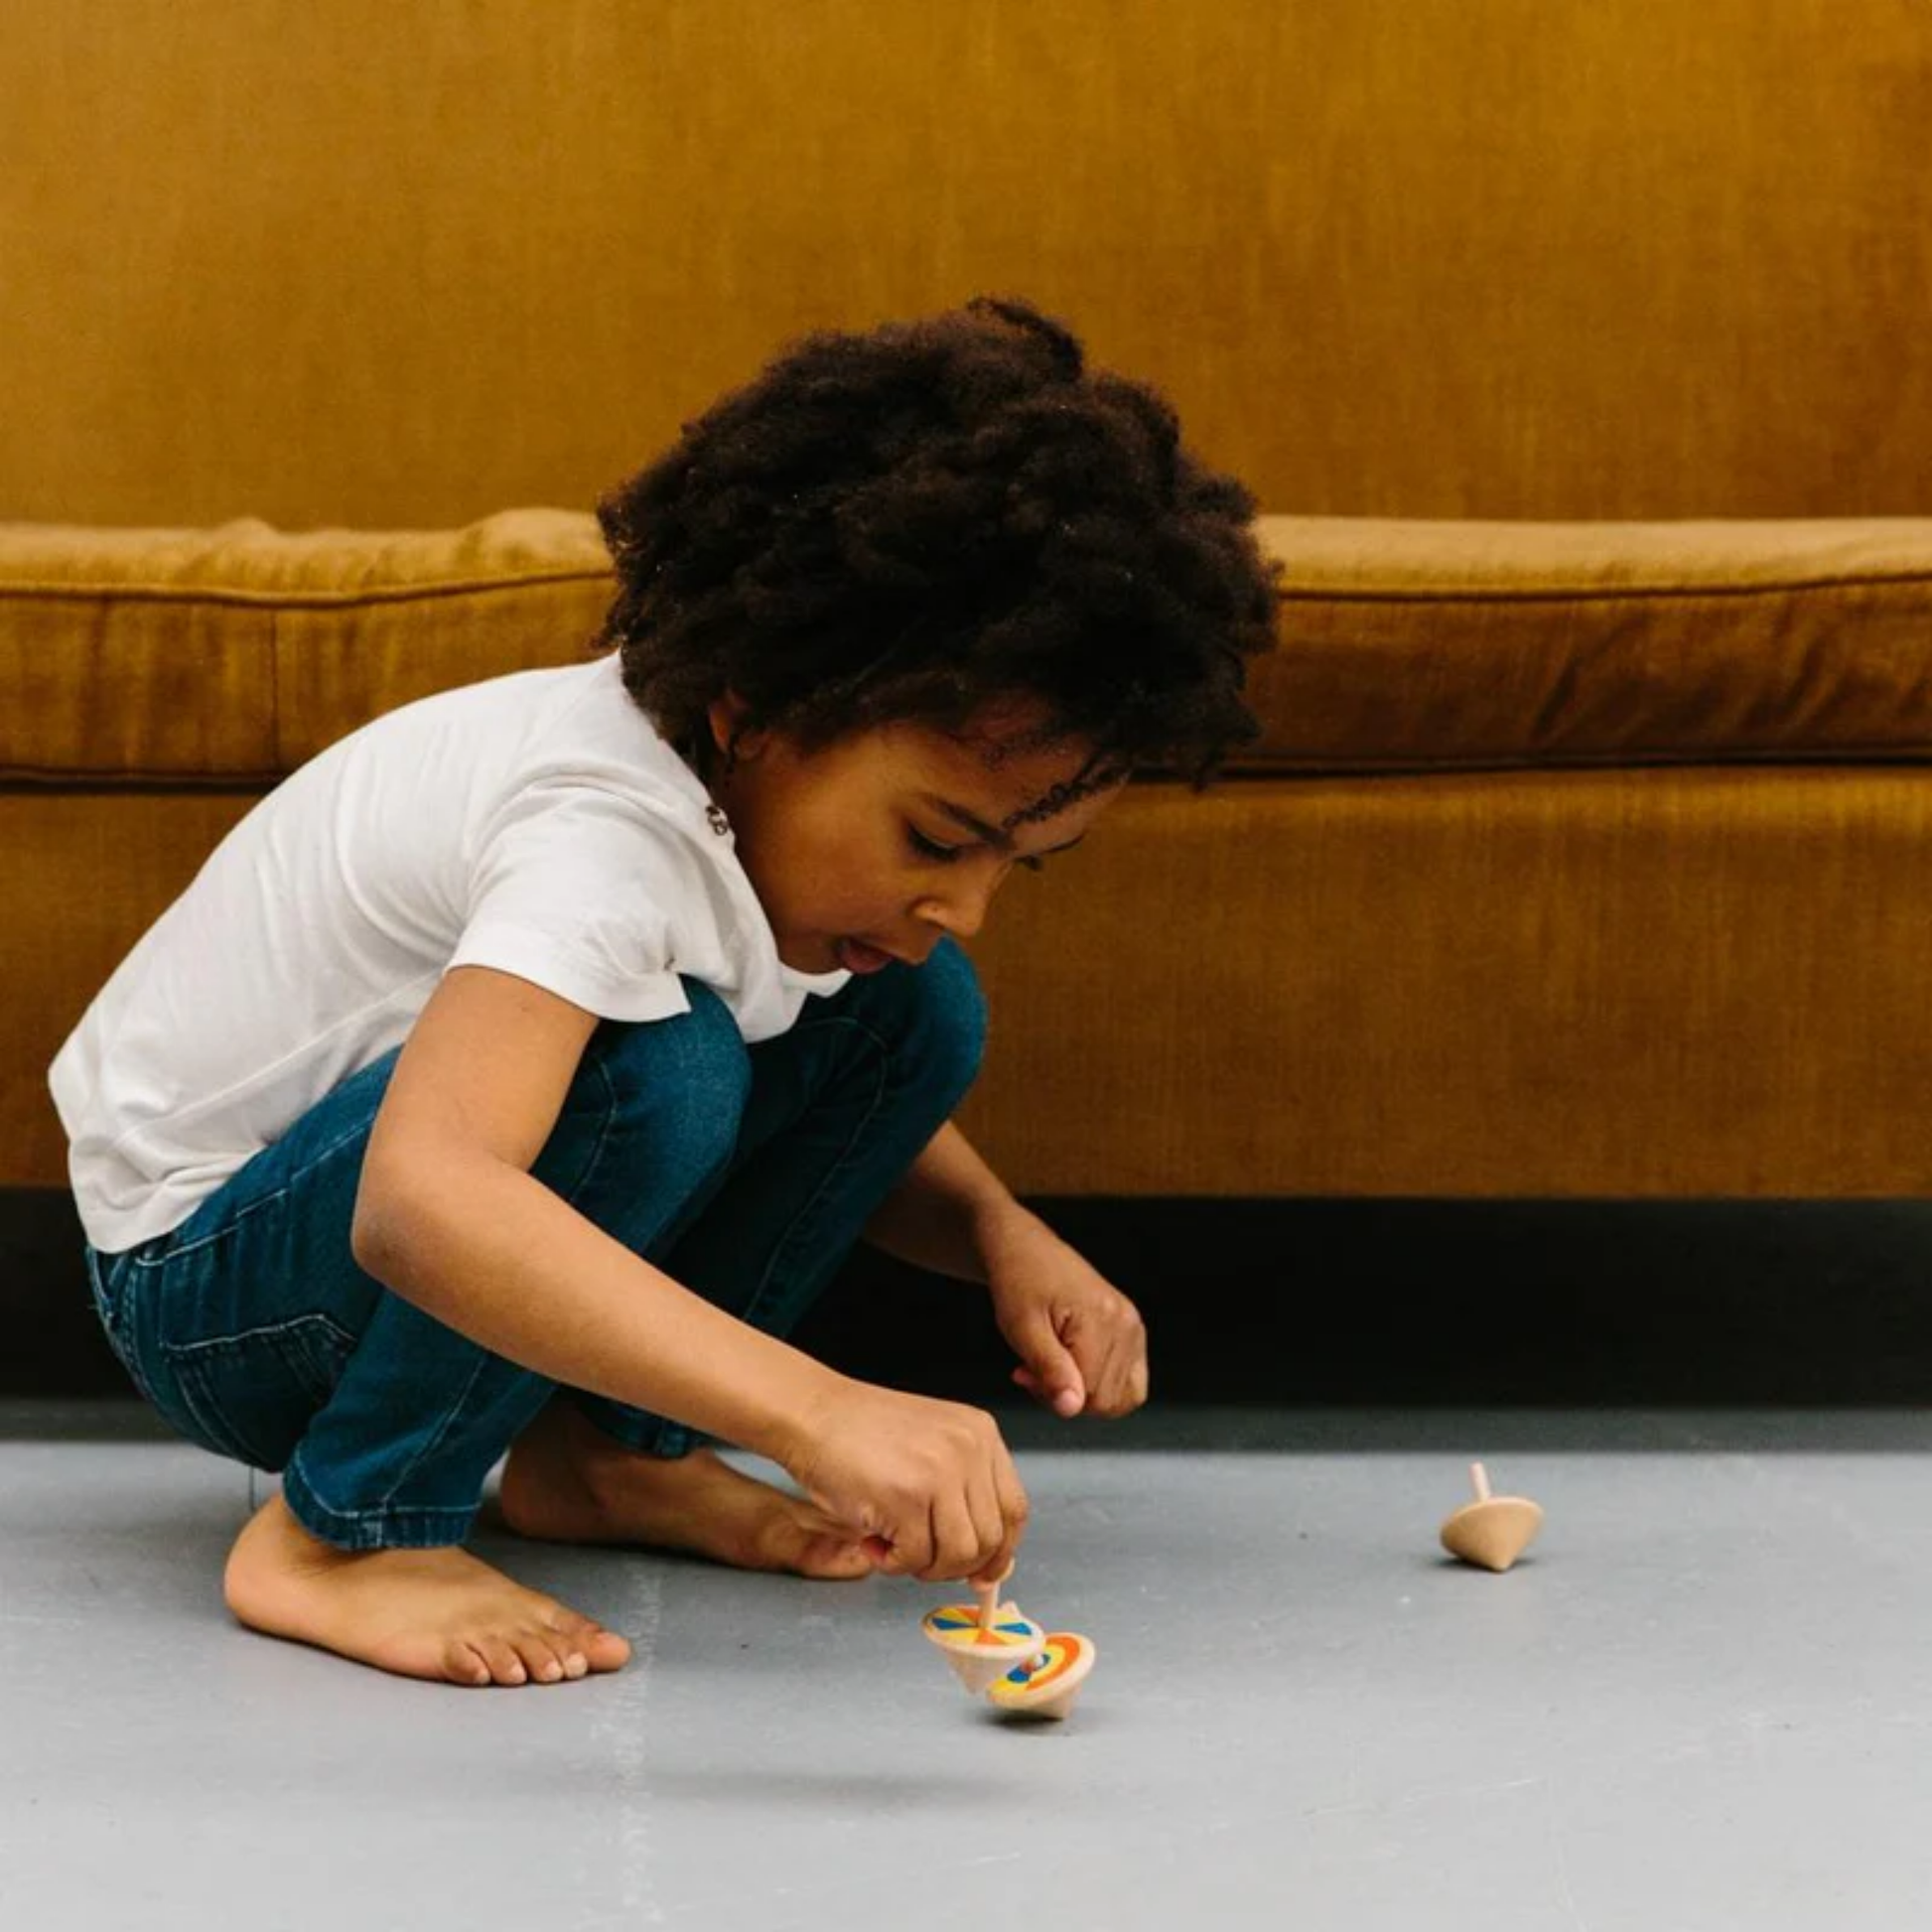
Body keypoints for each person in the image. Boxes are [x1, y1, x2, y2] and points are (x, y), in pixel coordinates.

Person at [47, 294, 1282, 1689]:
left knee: (910, 1009)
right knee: (655, 1068)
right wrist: (816, 1410)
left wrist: (997, 1233)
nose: (963, 901)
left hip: (338, 1236)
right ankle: (342, 1531)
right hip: (204, 1290)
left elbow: (821, 1068)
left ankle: (608, 1460)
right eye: (936, 839)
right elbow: (422, 1198)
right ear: (752, 709)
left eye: (1019, 863)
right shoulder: (600, 828)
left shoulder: (735, 813)